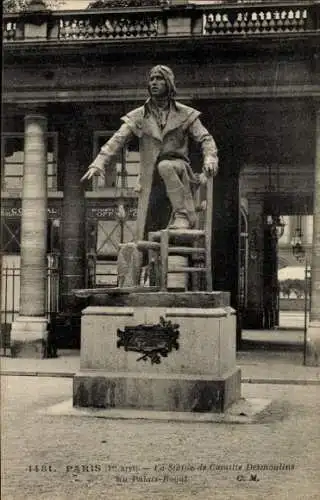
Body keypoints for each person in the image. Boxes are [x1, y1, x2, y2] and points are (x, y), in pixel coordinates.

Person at [81, 65, 219, 241]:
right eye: (151, 79)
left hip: (178, 171)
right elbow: (118, 138)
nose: (154, 82)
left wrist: (210, 157)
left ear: (168, 83)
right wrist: (99, 161)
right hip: (151, 178)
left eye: (159, 78)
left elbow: (205, 138)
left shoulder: (185, 114)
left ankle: (183, 215)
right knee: (148, 227)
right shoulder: (140, 115)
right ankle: (149, 265)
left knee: (166, 166)